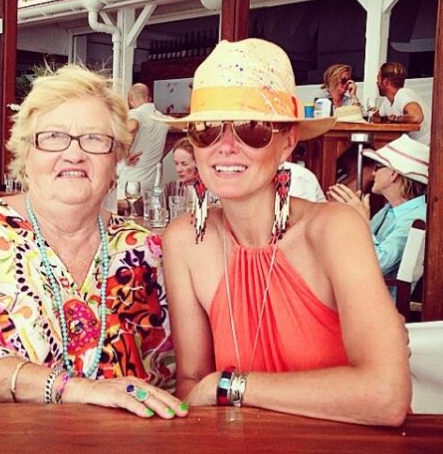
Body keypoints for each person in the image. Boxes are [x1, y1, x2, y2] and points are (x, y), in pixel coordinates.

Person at [0, 65, 187, 419]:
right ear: (25, 155)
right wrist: (76, 390)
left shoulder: (145, 252)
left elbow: (169, 375)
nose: (74, 154)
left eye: (95, 138)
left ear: (117, 160)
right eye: (53, 137)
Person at [159, 39, 410, 426]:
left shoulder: (333, 229)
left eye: (252, 128)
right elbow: (191, 387)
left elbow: (386, 395)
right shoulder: (185, 240)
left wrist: (230, 387)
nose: (225, 147)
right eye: (207, 130)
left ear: (287, 141)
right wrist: (211, 389)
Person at [327, 134, 428, 277]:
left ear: (393, 174)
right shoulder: (389, 210)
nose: (373, 173)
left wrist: (362, 221)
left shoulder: (416, 218)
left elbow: (377, 264)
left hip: (380, 296)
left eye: (378, 167)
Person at [116, 83, 169, 204]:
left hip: (129, 185)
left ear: (130, 99)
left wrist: (124, 152)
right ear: (149, 98)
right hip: (150, 184)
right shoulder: (163, 119)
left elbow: (132, 126)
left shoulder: (135, 113)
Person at [375, 61, 431, 145]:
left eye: (378, 79)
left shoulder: (403, 94)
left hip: (428, 148)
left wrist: (396, 119)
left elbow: (416, 117)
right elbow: (375, 117)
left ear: (385, 82)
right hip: (413, 147)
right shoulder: (387, 101)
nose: (377, 83)